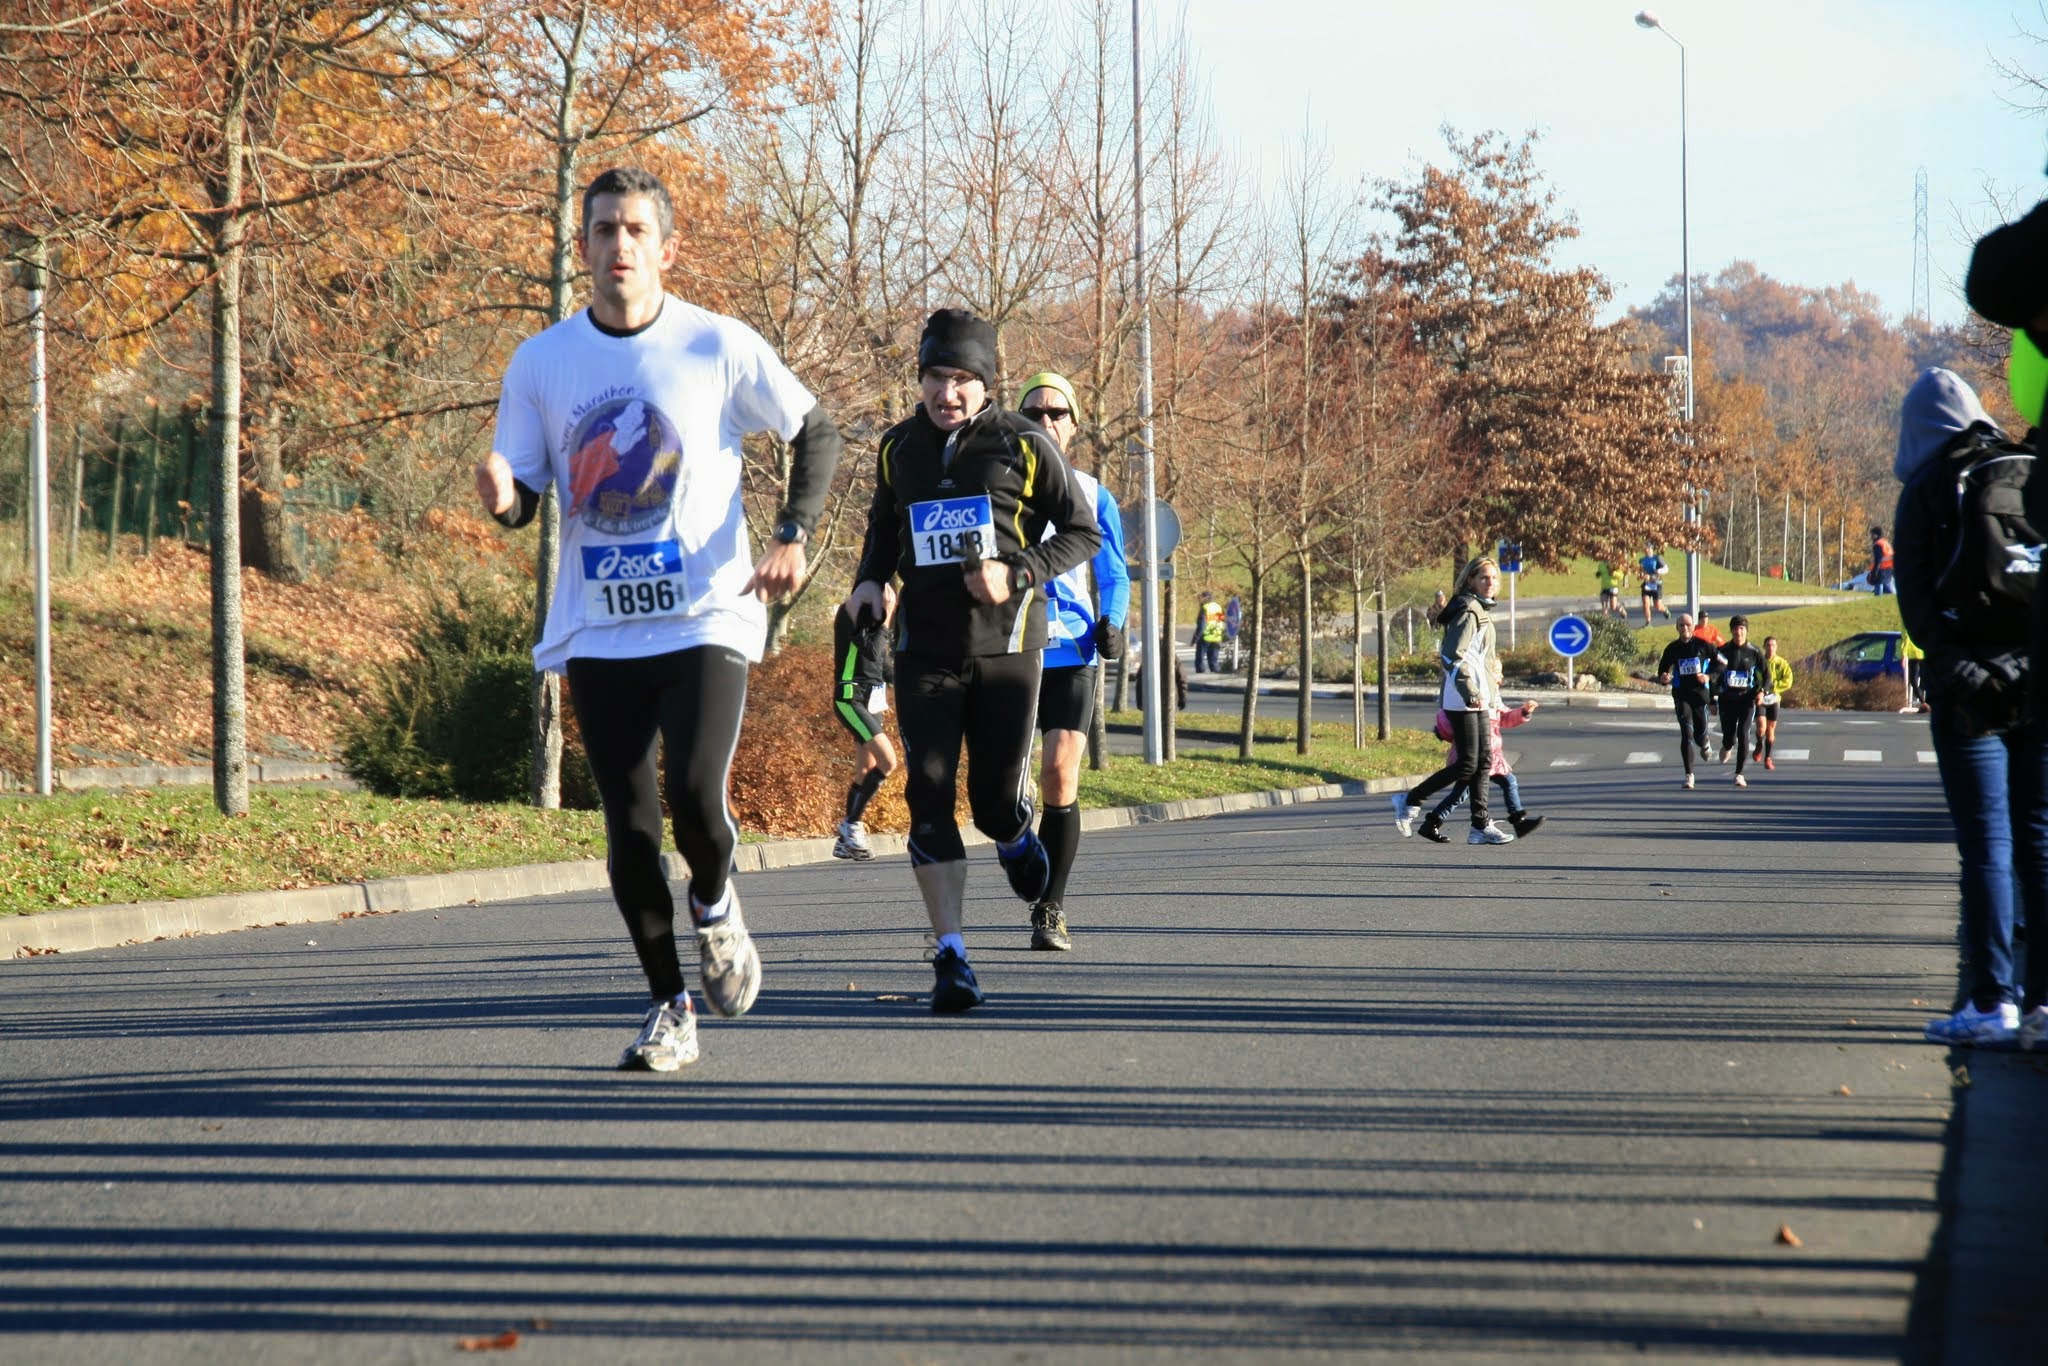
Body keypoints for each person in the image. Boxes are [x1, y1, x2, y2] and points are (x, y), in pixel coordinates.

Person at [474, 167, 841, 1072]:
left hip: (705, 613)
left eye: (636, 230)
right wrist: (504, 497)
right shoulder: (542, 362)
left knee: (696, 797)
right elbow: (526, 496)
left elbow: (816, 429)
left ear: (667, 249)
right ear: (583, 247)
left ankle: (715, 903)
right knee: (631, 828)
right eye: (604, 230)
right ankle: (670, 1006)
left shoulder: (714, 343)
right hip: (600, 625)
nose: (620, 246)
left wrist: (792, 534)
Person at [845, 309, 1101, 1014]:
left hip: (1007, 649)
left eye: (962, 378)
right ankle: (951, 955)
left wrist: (1017, 572)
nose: (947, 392)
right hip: (923, 650)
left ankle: (1016, 835)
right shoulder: (898, 447)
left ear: (986, 383)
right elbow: (883, 525)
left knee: (991, 804)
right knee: (927, 794)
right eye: (935, 376)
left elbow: (1083, 533)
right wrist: (871, 579)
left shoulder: (1024, 443)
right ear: (921, 379)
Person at [1895, 366, 2047, 1048]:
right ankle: (2045, 1006)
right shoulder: (2026, 469)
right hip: (2039, 679)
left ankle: (1992, 1003)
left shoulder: (1928, 487)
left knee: (1988, 845)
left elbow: (1919, 607)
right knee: (2041, 841)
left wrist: (1961, 670)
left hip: (1969, 697)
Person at [1016, 370, 1129, 953]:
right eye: (1033, 413)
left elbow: (1114, 574)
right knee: (1005, 790)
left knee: (1059, 772)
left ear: (1075, 425)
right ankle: (1021, 848)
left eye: (1056, 413)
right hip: (1010, 646)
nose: (1045, 422)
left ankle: (1050, 908)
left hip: (1071, 650)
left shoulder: (1093, 493)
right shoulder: (996, 486)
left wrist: (1113, 621)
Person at [1392, 556, 1515, 845]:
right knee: (1468, 764)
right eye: (1484, 577)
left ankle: (1480, 826)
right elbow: (1451, 655)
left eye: (1494, 578)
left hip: (1478, 697)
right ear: (1470, 580)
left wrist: (1490, 696)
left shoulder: (1478, 608)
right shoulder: (1468, 611)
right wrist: (1469, 690)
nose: (1490, 582)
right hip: (1463, 698)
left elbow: (1481, 660)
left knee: (1483, 761)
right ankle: (1409, 799)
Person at [1418, 695, 1546, 842]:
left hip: (1487, 754)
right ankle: (1517, 822)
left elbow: (1505, 717)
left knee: (1461, 793)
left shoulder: (1492, 695)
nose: (1500, 681)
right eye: (1498, 678)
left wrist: (1524, 712)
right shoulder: (1476, 694)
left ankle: (1431, 823)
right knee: (1508, 781)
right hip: (1477, 754)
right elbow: (1452, 719)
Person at [831, 600, 897, 860]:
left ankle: (844, 840)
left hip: (873, 698)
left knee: (866, 769)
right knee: (888, 761)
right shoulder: (853, 609)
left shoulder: (878, 613)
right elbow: (870, 650)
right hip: (851, 696)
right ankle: (852, 826)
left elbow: (880, 661)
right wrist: (887, 618)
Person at [1655, 613, 1719, 790]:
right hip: (1681, 695)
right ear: (1677, 628)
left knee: (1700, 734)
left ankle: (1705, 742)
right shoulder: (1672, 648)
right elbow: (1662, 671)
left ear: (1693, 626)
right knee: (1687, 733)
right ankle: (1689, 775)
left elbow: (1722, 663)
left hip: (1700, 696)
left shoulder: (1703, 645)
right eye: (1681, 625)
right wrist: (1664, 678)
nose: (1685, 628)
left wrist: (1708, 676)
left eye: (1688, 625)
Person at [1711, 614, 1766, 787]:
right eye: (1735, 628)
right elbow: (1713, 675)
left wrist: (1762, 691)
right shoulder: (1723, 651)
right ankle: (1727, 746)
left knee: (1743, 733)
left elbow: (1767, 675)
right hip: (1727, 699)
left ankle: (1739, 774)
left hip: (1747, 699)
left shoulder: (1754, 651)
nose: (1738, 632)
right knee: (1730, 737)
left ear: (1746, 631)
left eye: (1742, 629)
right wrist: (1711, 699)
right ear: (1731, 631)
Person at [1753, 635, 1793, 770]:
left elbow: (1788, 681)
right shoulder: (1759, 662)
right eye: (1768, 645)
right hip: (1761, 698)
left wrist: (1775, 686)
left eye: (1773, 645)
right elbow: (1753, 677)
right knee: (1761, 727)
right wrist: (1759, 688)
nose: (1771, 648)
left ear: (1776, 647)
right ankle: (1759, 744)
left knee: (1770, 731)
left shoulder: (1781, 663)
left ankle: (1768, 758)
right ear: (1764, 647)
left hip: (1774, 699)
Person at [1192, 591, 1226, 672]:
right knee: (1214, 661)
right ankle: (1215, 673)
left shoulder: (1205, 608)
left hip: (1205, 636)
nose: (1200, 600)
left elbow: (1201, 626)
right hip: (1217, 636)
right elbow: (1222, 621)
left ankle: (1200, 674)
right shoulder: (1218, 607)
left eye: (1201, 598)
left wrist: (1195, 639)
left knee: (1200, 660)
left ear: (1206, 598)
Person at [1900, 629, 1928, 713]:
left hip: (1914, 655)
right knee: (1924, 679)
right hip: (1923, 654)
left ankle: (1924, 703)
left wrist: (1904, 654)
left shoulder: (1907, 625)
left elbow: (1906, 639)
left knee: (1913, 681)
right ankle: (1925, 702)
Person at [1639, 546, 1669, 621]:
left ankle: (1665, 610)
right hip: (1647, 584)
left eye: (1648, 548)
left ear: (1651, 549)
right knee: (1646, 604)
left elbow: (1666, 569)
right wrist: (1642, 575)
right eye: (1645, 548)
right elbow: (1641, 571)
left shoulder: (1657, 558)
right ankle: (1648, 622)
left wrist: (1658, 571)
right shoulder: (1642, 560)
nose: (1646, 550)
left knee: (1657, 606)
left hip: (1656, 584)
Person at [1869, 526, 1896, 595]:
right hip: (1889, 568)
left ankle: (1878, 597)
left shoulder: (1878, 544)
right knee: (1888, 586)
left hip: (1881, 568)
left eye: (1872, 534)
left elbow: (1878, 559)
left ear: (1876, 535)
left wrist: (1874, 571)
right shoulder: (1885, 543)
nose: (1871, 536)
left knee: (1878, 586)